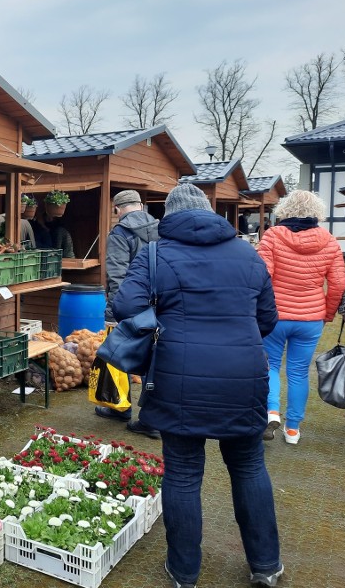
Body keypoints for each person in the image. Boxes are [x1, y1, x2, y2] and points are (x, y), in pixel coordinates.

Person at [114, 183, 282, 588]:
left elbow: (124, 307)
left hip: (178, 379)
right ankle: (266, 566)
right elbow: (267, 319)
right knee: (248, 466)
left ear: (168, 216)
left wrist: (164, 313)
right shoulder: (248, 254)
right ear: (210, 212)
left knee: (184, 474)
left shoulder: (156, 254)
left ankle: (184, 573)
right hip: (244, 377)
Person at [256, 190, 345, 444]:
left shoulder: (272, 236)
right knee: (298, 372)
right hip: (311, 318)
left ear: (284, 210)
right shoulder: (329, 240)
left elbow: (262, 276)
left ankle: (271, 411)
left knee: (270, 365)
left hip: (275, 316)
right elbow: (337, 283)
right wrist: (326, 313)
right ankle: (293, 429)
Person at [96, 189, 160, 438]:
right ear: (141, 205)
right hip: (158, 303)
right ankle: (152, 418)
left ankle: (120, 407)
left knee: (119, 352)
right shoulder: (160, 228)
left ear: (118, 209)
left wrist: (114, 308)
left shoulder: (121, 233)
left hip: (130, 303)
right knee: (153, 359)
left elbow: (117, 272)